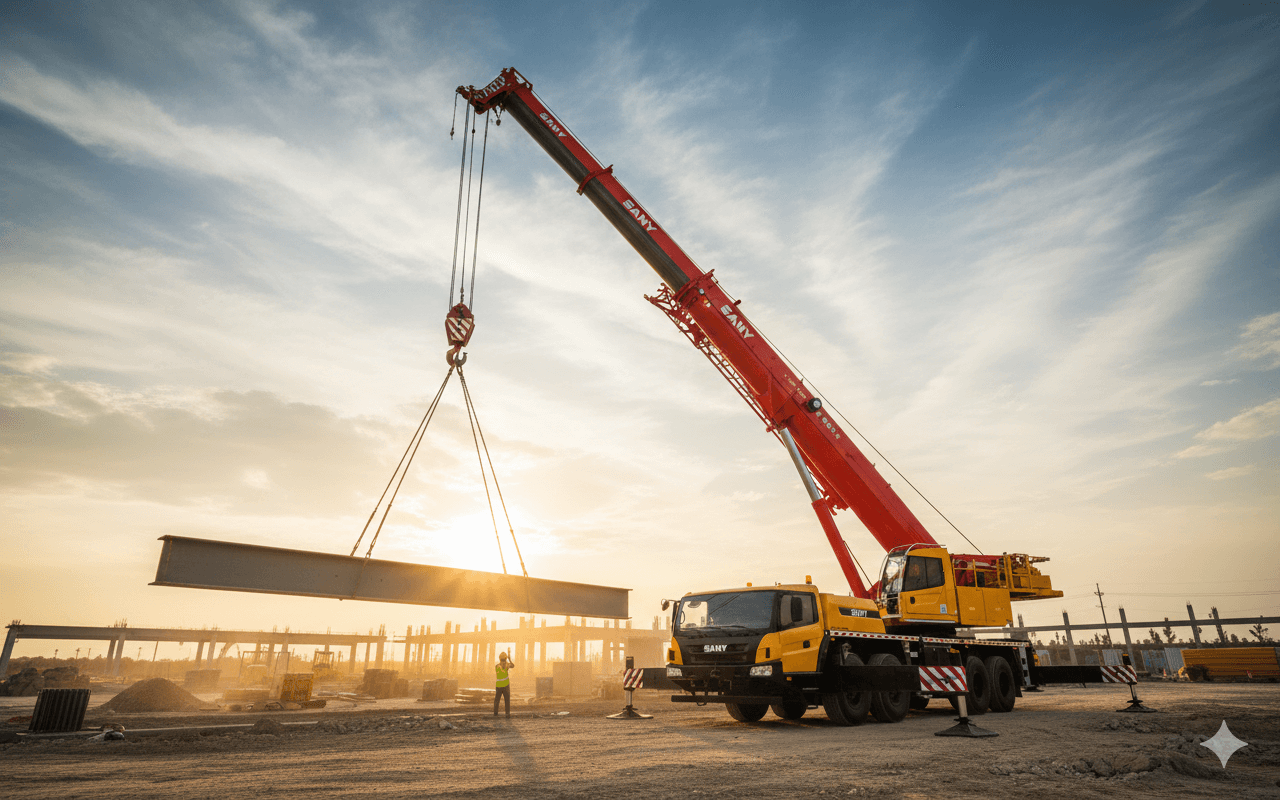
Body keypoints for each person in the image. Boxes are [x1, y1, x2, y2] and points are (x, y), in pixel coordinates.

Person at [494, 651, 514, 717]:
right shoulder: (506, 665)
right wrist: (509, 659)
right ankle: (507, 714)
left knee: (497, 700)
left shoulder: (497, 666)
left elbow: (511, 666)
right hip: (505, 686)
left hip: (499, 686)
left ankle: (495, 714)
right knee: (507, 700)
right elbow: (512, 665)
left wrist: (508, 660)